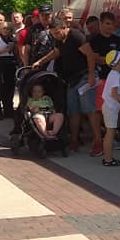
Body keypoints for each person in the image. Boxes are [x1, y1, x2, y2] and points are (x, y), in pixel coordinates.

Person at [49, 16, 100, 155]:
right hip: (71, 79)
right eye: (53, 34)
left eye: (58, 33)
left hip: (84, 76)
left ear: (65, 27)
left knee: (90, 109)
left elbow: (90, 55)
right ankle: (74, 140)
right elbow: (56, 52)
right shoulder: (60, 40)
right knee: (73, 111)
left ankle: (98, 142)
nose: (56, 36)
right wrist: (40, 62)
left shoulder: (76, 36)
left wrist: (91, 76)